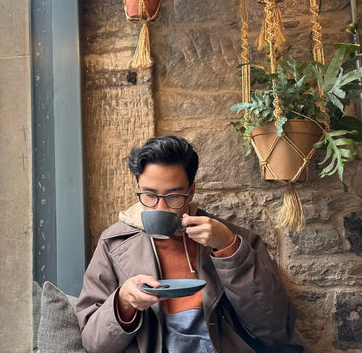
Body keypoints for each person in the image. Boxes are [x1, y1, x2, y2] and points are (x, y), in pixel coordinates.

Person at [75, 135, 296, 353]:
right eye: (149, 195)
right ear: (138, 188)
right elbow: (94, 344)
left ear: (190, 192)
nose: (160, 208)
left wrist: (229, 249)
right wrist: (123, 301)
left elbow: (275, 331)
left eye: (173, 196)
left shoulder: (235, 240)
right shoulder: (113, 244)